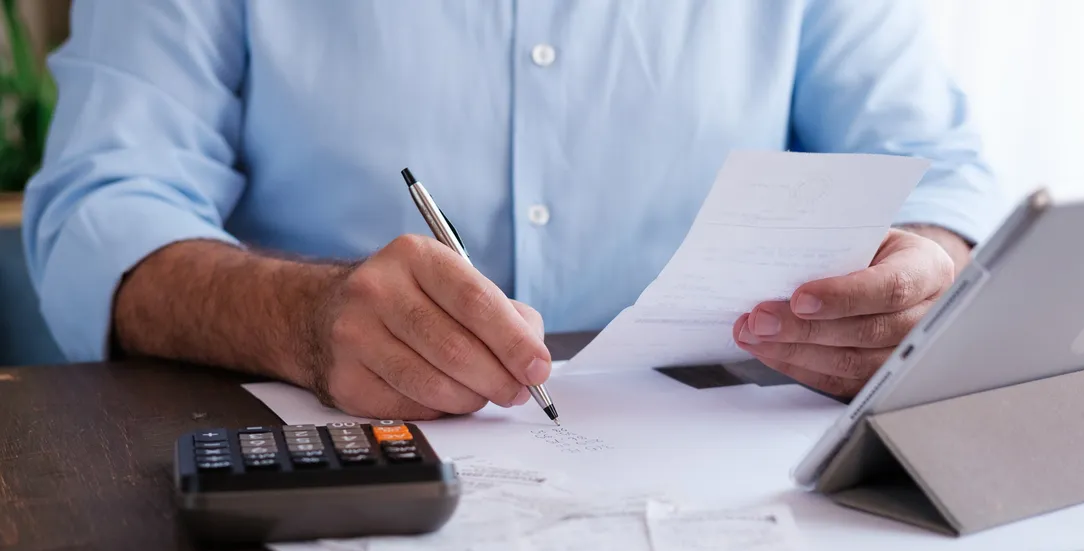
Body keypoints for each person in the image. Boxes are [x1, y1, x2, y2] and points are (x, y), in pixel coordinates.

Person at [24, 0, 1000, 419]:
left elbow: (943, 176)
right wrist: (302, 319)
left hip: (734, 475)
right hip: (336, 474)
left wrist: (924, 269)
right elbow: (102, 207)